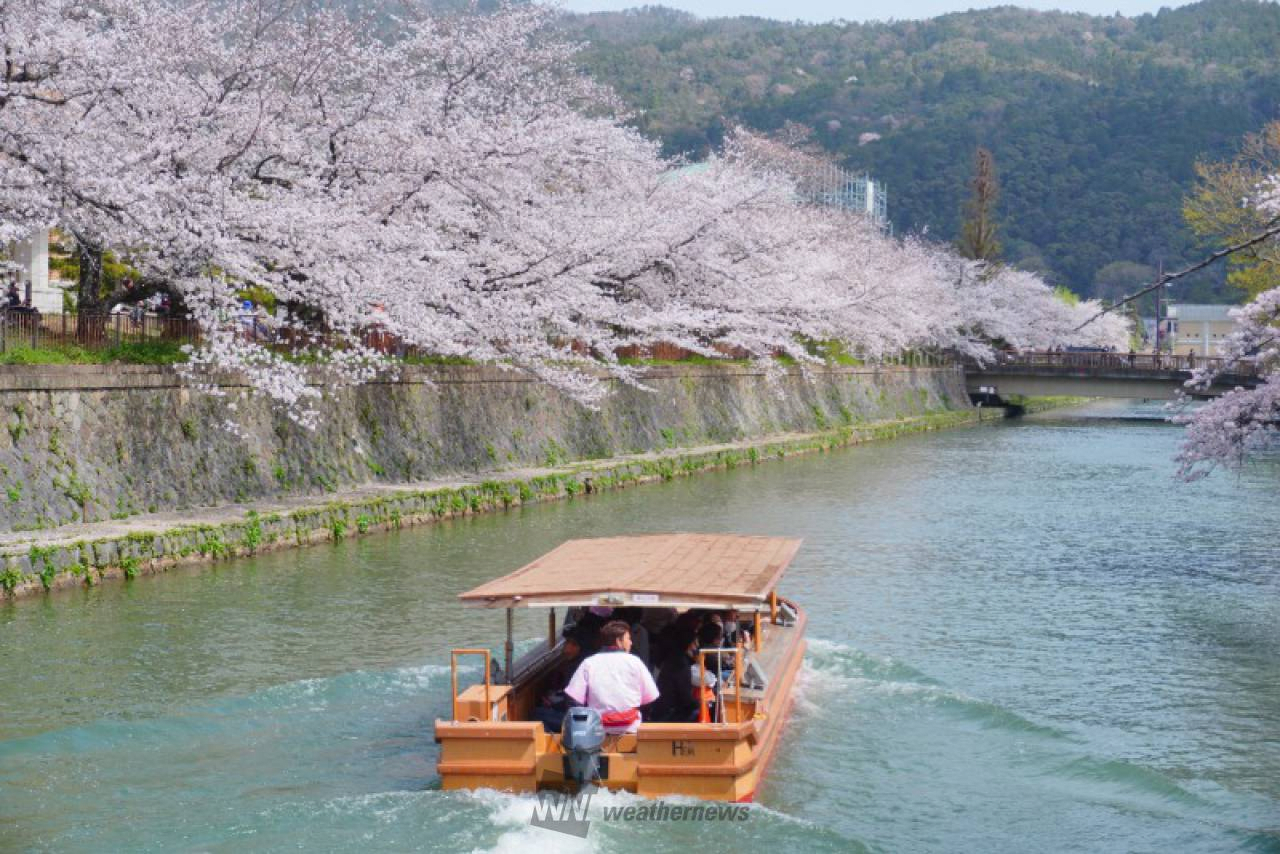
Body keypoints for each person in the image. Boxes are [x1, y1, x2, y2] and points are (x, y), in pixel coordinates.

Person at [564, 620, 659, 734]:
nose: (631, 643)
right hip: (631, 728)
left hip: (597, 730)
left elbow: (574, 699)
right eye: (628, 639)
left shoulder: (589, 663)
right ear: (619, 641)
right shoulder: (635, 662)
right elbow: (650, 698)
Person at [650, 629, 701, 723]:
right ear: (688, 644)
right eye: (695, 643)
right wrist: (700, 704)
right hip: (670, 713)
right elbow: (685, 696)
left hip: (662, 709)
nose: (696, 646)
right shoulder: (681, 663)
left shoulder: (673, 657)